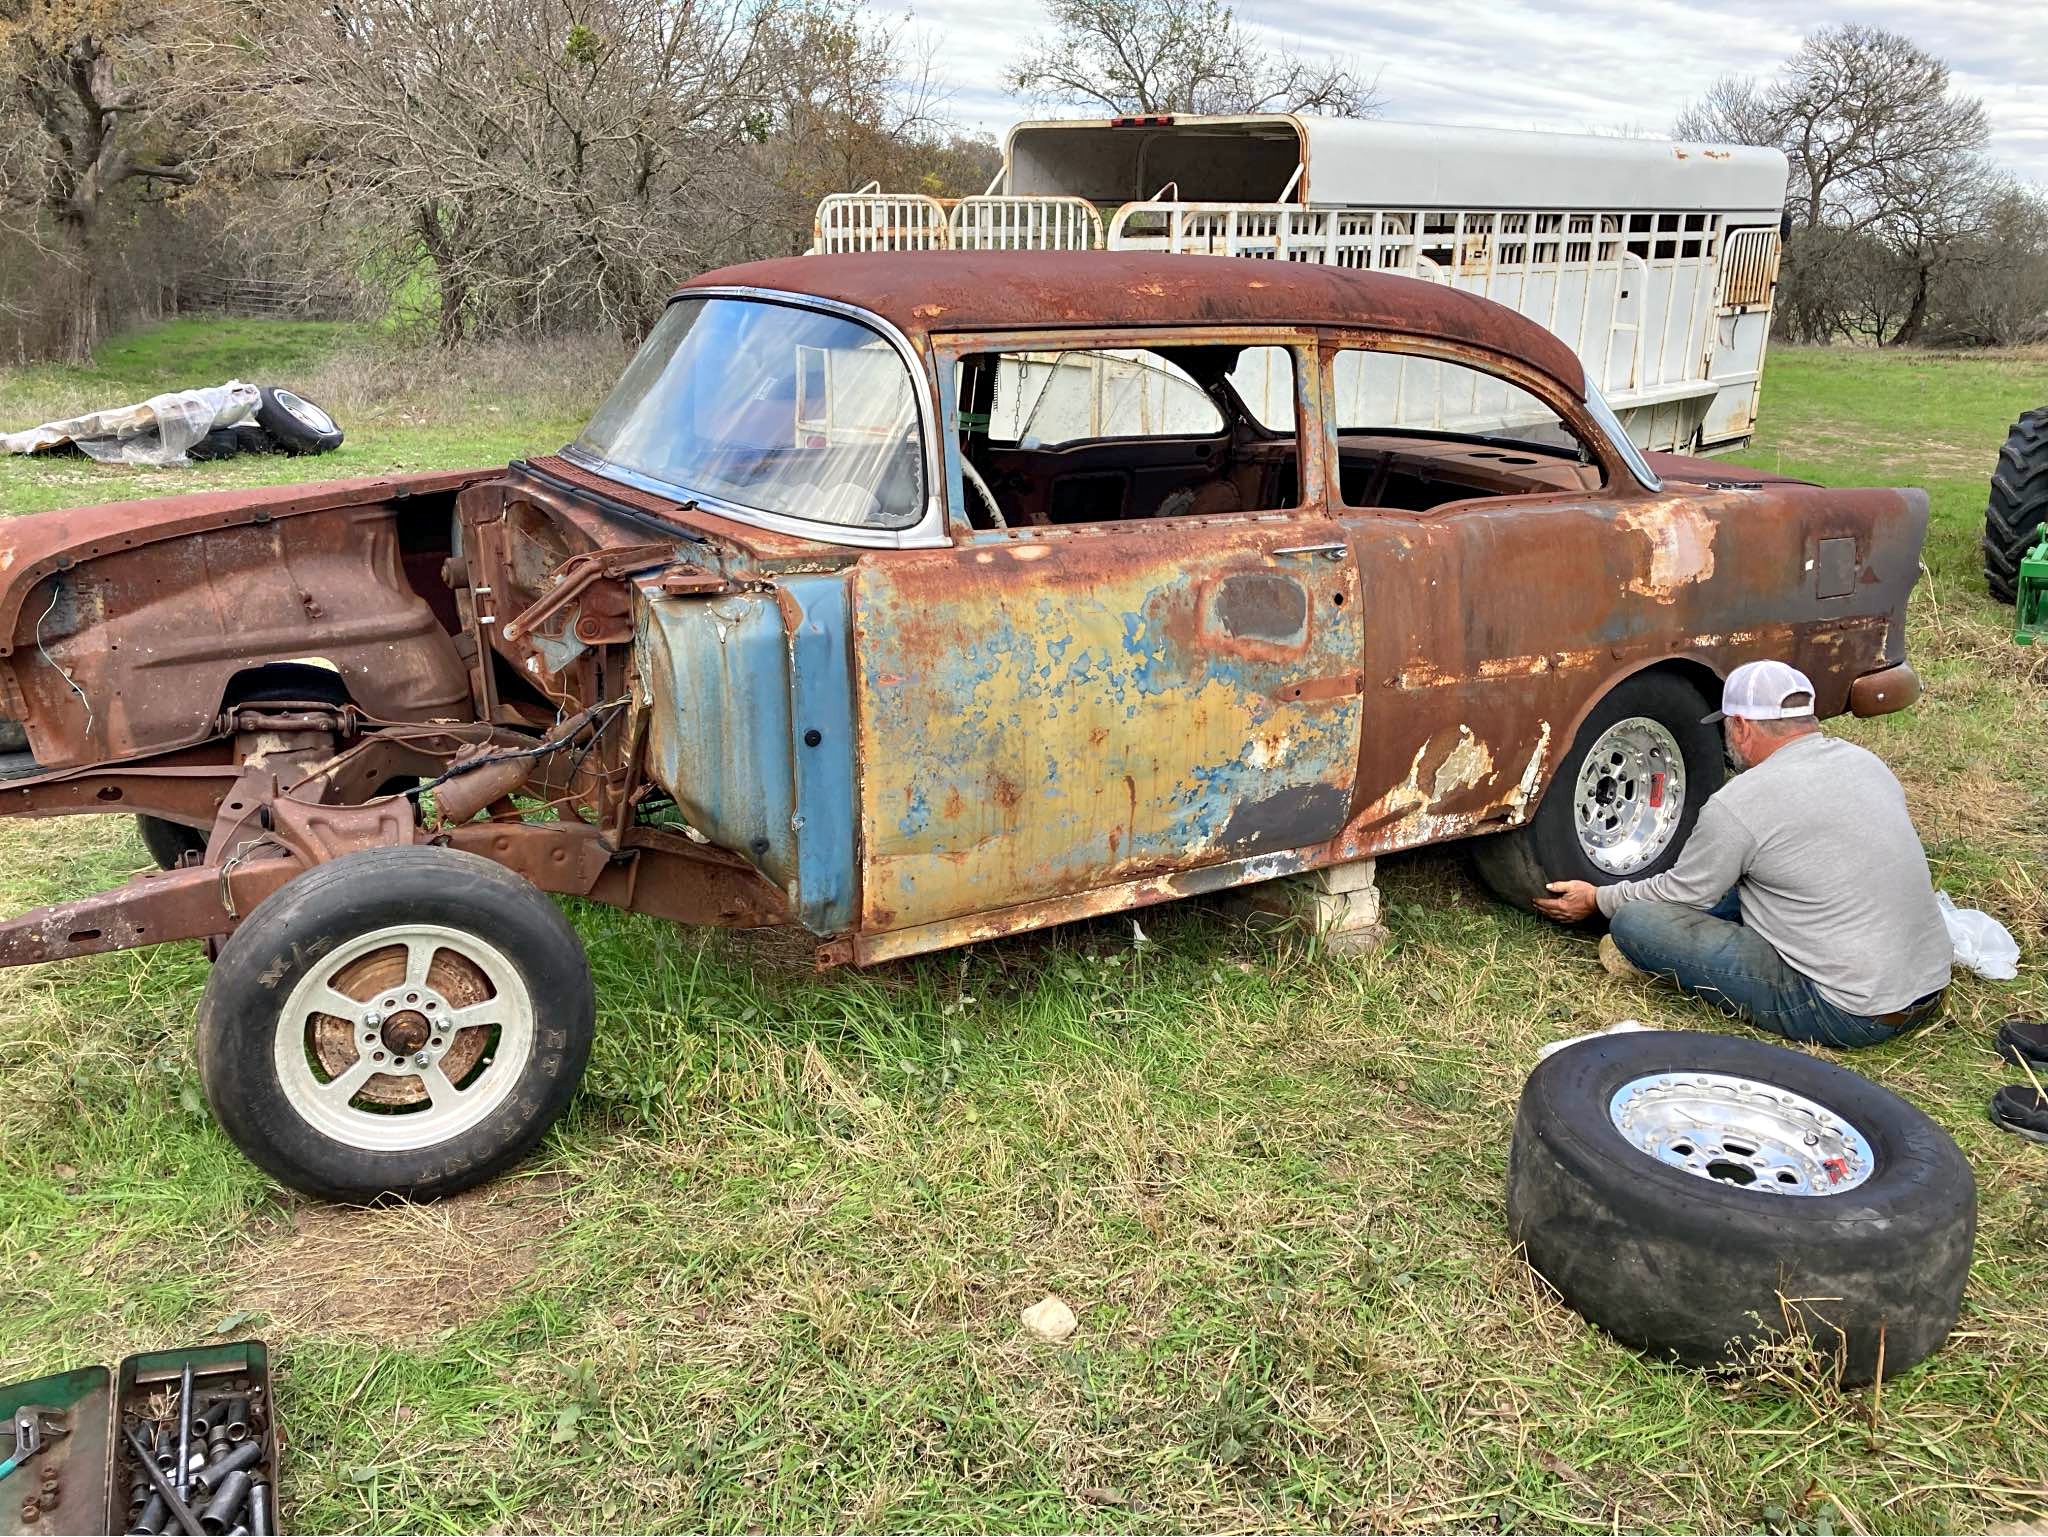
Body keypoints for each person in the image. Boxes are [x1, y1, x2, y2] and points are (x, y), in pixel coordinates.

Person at [1535, 659, 1952, 1048]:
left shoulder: (1741, 803)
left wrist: (1598, 899)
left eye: (1726, 729)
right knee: (1746, 884)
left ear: (1741, 726)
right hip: (1927, 985)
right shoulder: (1865, 764)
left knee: (1635, 922)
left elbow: (1685, 893)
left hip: (1848, 1012)